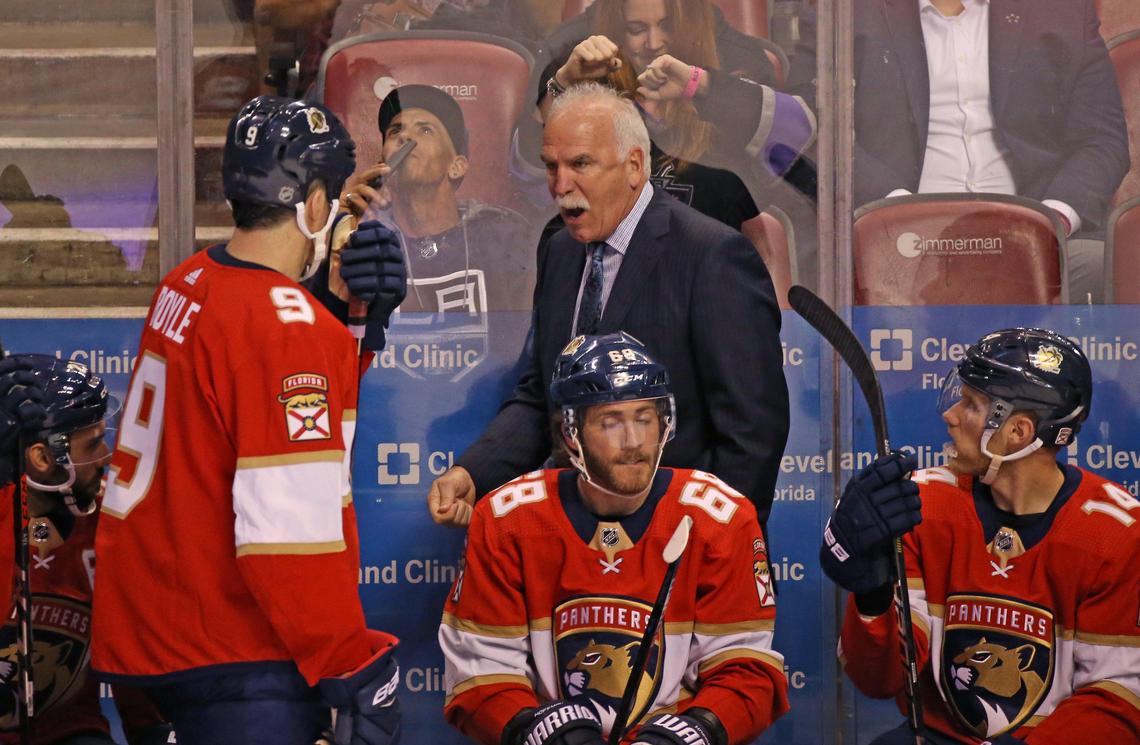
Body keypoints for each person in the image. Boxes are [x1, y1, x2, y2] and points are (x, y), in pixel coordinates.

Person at [90, 96, 406, 745]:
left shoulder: (186, 283)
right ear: (314, 203)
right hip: (234, 657)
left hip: (149, 646)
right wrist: (350, 658)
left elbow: (266, 414)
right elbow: (287, 531)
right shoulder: (289, 327)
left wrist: (349, 320)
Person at [427, 83, 790, 527]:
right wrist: (474, 473)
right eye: (551, 166)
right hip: (579, 545)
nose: (561, 186)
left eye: (580, 164)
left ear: (635, 165)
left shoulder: (711, 255)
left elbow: (753, 434)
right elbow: (544, 395)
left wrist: (706, 541)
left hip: (682, 548)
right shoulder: (559, 251)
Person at [439, 332, 789, 745]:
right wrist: (544, 732)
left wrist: (692, 733)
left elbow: (746, 670)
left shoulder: (719, 517)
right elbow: (479, 675)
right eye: (611, 422)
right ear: (571, 433)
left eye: (644, 418)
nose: (634, 441)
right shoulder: (508, 519)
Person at [821, 328, 1140, 744]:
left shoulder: (1115, 534)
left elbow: (1117, 698)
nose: (950, 415)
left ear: (1018, 433)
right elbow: (882, 680)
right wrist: (871, 598)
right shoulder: (923, 506)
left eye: (971, 404)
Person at [852, 0, 1129, 298]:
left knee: (1105, 267)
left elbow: (1103, 139)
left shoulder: (1060, 9)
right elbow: (815, 136)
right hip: (894, 240)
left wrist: (1050, 224)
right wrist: (891, 216)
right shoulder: (847, 13)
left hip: (1038, 238)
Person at [513, 0, 817, 230]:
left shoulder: (736, 54)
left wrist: (702, 85)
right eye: (636, 30)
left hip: (714, 241)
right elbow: (529, 172)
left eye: (668, 26)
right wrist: (564, 82)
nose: (654, 43)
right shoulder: (569, 47)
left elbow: (796, 140)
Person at [0, 355, 174, 744]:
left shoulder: (112, 521)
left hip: (74, 732)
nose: (107, 458)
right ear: (43, 459)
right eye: (94, 443)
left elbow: (131, 645)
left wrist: (152, 729)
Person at [340, 83, 537, 312]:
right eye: (395, 131)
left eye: (425, 130)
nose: (404, 136)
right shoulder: (363, 236)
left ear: (456, 166)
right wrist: (335, 227)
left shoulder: (503, 236)